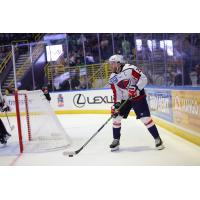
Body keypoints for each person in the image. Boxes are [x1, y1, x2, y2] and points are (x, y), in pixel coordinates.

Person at [108, 55, 164, 151]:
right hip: (124, 99)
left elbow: (144, 78)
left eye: (113, 63)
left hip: (137, 96)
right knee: (116, 118)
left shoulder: (130, 68)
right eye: (110, 63)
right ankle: (116, 140)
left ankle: (157, 139)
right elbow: (116, 92)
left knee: (145, 119)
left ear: (119, 63)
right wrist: (116, 104)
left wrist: (137, 88)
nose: (111, 65)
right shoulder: (112, 77)